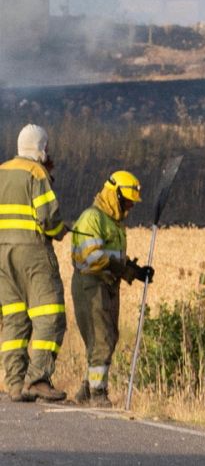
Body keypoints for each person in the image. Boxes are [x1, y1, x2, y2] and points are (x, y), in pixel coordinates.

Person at [69, 171, 154, 407]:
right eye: (126, 201)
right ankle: (98, 393)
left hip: (108, 285)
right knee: (101, 339)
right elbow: (93, 257)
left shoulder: (114, 223)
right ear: (114, 195)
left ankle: (87, 389)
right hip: (91, 285)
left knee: (109, 337)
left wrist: (136, 272)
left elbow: (115, 259)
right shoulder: (92, 218)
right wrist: (121, 267)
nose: (130, 207)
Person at [0, 124, 68, 402]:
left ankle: (15, 384)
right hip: (32, 252)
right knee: (50, 313)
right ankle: (38, 378)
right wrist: (61, 230)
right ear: (40, 147)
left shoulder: (2, 171)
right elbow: (48, 219)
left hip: (2, 254)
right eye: (46, 147)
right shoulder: (36, 172)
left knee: (14, 318)